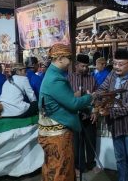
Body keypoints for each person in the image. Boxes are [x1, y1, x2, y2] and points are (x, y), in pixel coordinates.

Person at [38, 44, 94, 181]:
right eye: (69, 58)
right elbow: (73, 104)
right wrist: (90, 97)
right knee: (60, 170)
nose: (70, 62)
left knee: (52, 167)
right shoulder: (56, 78)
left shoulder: (52, 74)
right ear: (60, 58)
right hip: (57, 135)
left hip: (53, 130)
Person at [97, 49, 128, 181]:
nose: (117, 67)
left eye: (120, 64)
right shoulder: (112, 75)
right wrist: (98, 99)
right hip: (115, 125)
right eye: (115, 63)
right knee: (120, 159)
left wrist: (109, 111)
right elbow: (102, 89)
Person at [67, 54, 98, 173]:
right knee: (76, 142)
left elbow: (97, 96)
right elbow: (65, 97)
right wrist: (75, 95)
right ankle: (79, 166)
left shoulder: (92, 79)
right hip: (74, 115)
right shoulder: (69, 78)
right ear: (76, 65)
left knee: (91, 140)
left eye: (86, 66)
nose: (85, 69)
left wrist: (95, 110)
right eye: (82, 66)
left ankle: (91, 163)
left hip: (89, 115)